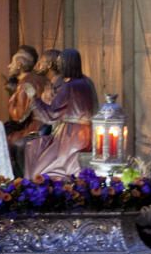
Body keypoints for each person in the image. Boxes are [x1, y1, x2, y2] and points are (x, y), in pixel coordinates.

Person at [23, 48, 98, 179]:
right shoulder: (87, 82)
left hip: (70, 136)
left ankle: (38, 186)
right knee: (36, 145)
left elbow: (50, 115)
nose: (59, 67)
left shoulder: (69, 87)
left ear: (66, 64)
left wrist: (33, 97)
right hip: (89, 132)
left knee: (42, 166)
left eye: (60, 63)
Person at [5, 48, 49, 178]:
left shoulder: (26, 83)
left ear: (19, 65)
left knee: (5, 139)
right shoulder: (41, 79)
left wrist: (12, 99)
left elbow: (19, 116)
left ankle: (16, 178)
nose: (9, 66)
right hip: (44, 125)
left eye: (12, 63)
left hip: (35, 128)